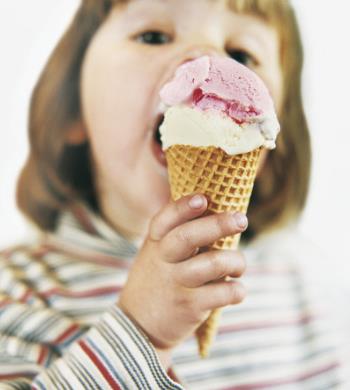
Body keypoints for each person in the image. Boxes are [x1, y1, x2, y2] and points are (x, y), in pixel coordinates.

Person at [1, 0, 349, 388]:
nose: (205, 59)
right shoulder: (14, 295)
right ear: (71, 108)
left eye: (241, 54)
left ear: (273, 136)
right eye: (153, 36)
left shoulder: (302, 281)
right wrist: (142, 333)